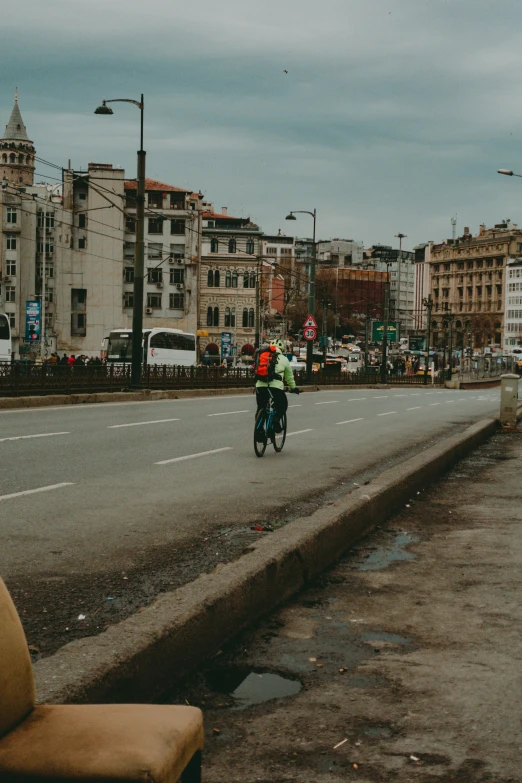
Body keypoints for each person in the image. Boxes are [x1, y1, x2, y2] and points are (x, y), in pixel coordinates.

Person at [255, 340, 299, 437]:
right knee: (282, 404)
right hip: (275, 387)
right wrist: (293, 387)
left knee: (261, 407)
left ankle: (259, 431)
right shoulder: (284, 359)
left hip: (260, 385)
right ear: (282, 350)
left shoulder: (262, 356)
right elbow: (289, 377)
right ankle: (275, 420)